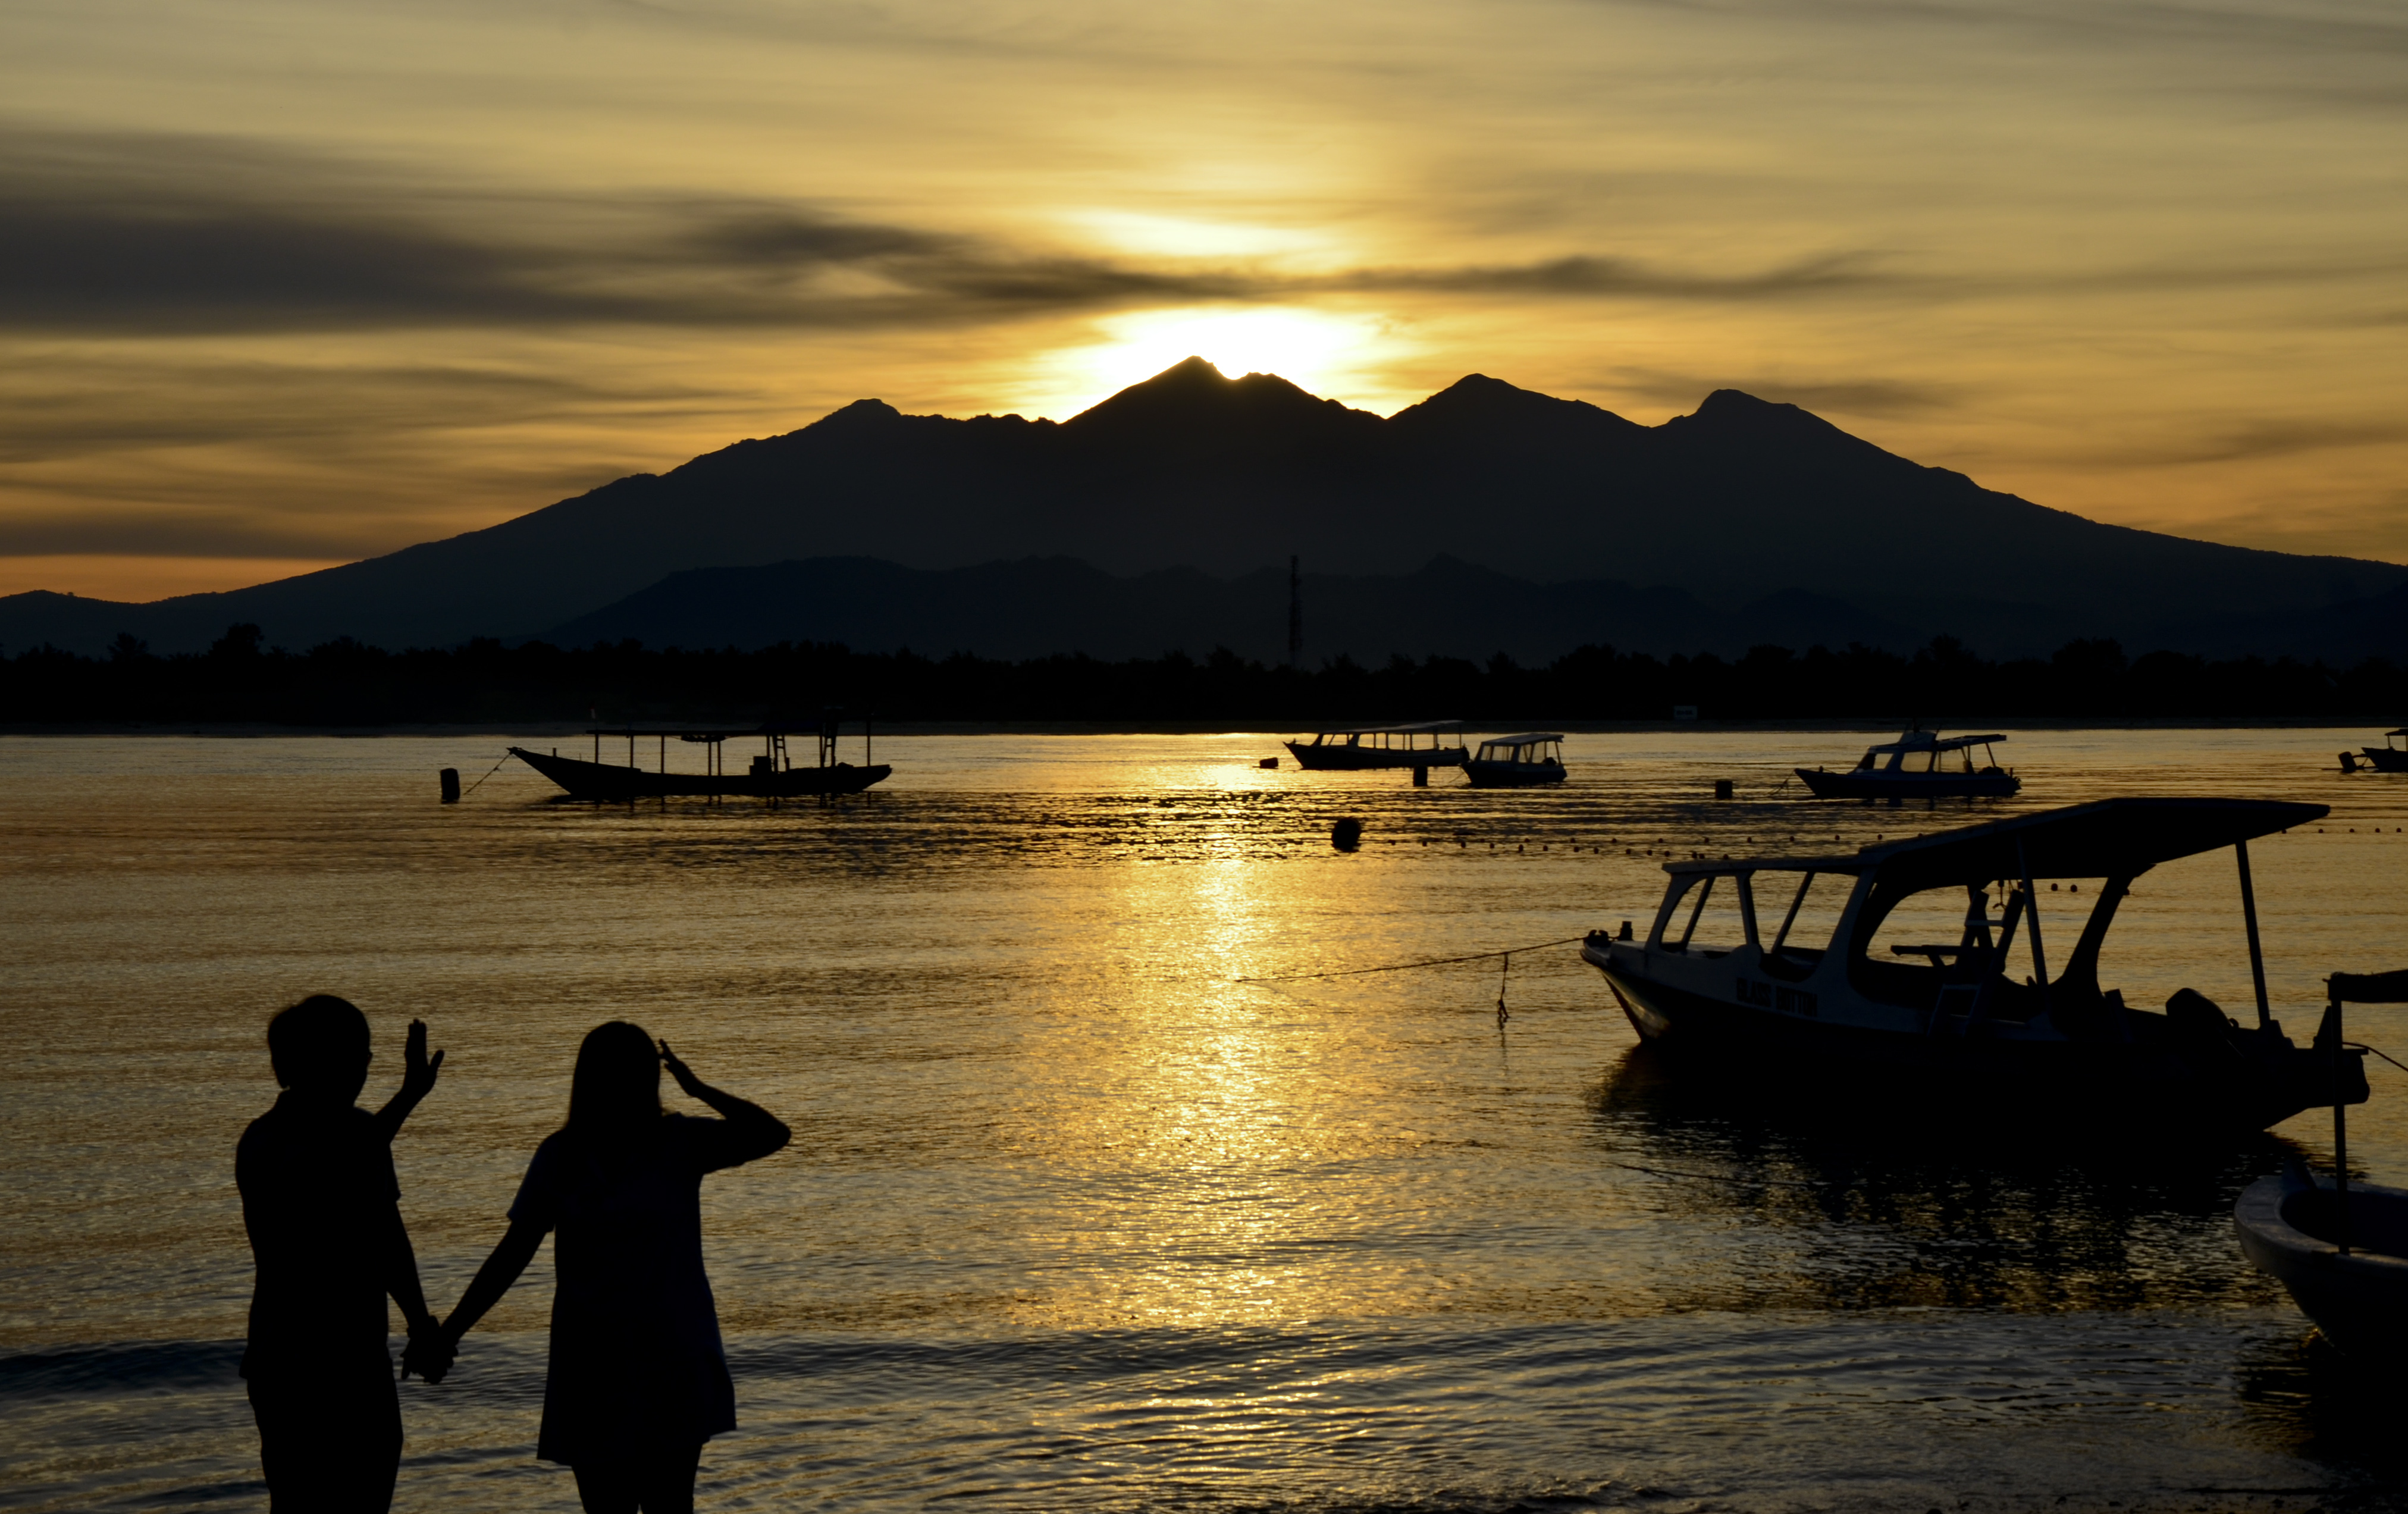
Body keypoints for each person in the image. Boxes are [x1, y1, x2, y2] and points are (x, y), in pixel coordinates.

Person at [426, 1023, 789, 1514]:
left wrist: (699, 1088)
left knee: (669, 1505)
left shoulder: (681, 1141)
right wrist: (448, 1333)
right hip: (594, 1364)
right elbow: (513, 1253)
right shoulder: (562, 1156)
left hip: (670, 1357)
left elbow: (772, 1134)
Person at [236, 995, 450, 1513]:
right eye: (354, 1054)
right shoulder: (267, 1143)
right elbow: (329, 1173)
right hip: (292, 1364)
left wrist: (421, 1324)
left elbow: (388, 1238)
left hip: (359, 1358)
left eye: (366, 1054)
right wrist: (408, 1097)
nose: (364, 1066)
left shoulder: (363, 1134)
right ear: (309, 1062)